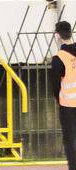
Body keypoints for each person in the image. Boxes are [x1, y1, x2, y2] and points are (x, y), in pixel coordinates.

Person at [54, 19, 76, 170]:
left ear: (57, 36)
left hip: (68, 106)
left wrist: (59, 100)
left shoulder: (58, 58)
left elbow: (55, 87)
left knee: (70, 140)